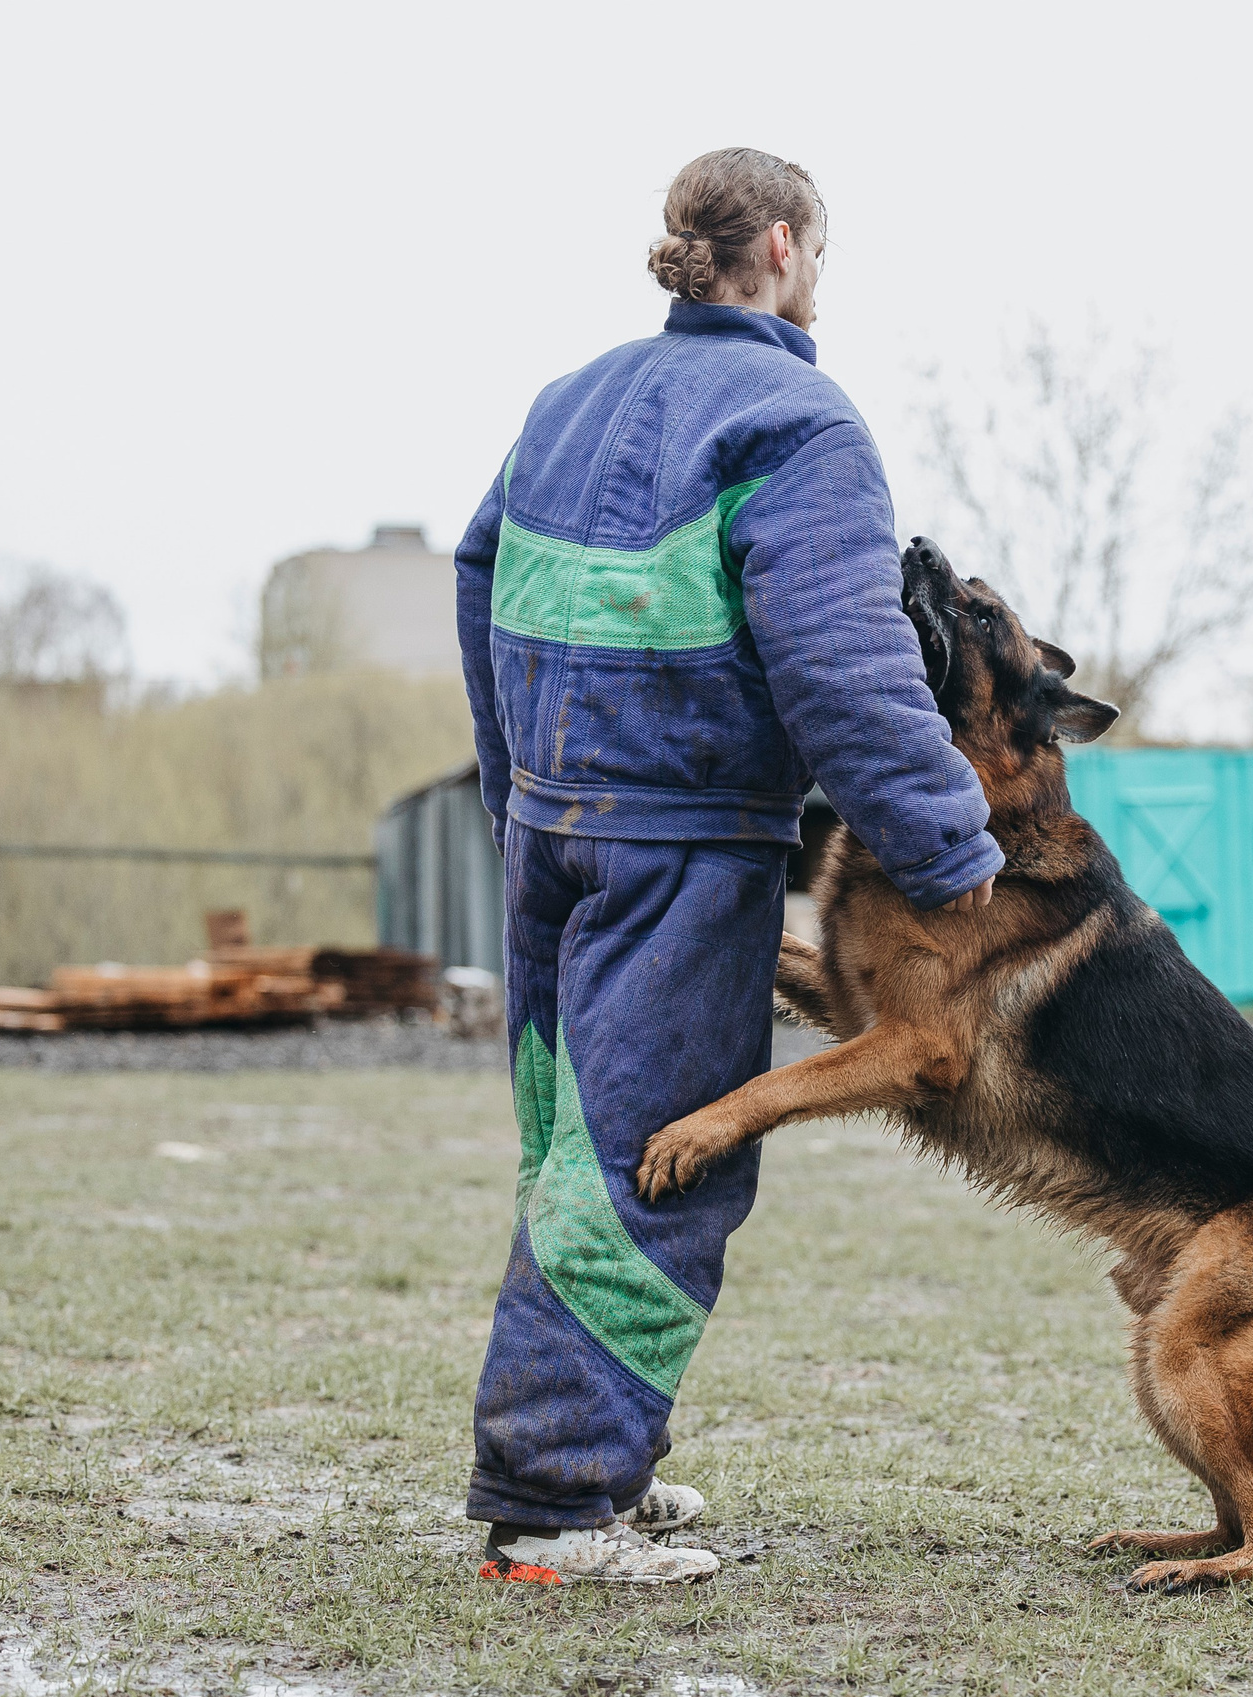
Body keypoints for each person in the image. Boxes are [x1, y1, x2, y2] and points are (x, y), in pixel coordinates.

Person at [452, 148, 1001, 1585]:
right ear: (777, 246)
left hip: (553, 832)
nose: (821, 278)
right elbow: (844, 665)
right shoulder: (795, 418)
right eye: (821, 252)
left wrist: (515, 781)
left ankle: (597, 1471)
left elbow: (475, 568)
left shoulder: (566, 403)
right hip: (681, 847)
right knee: (652, 1167)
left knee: (568, 1149)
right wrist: (950, 846)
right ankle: (554, 1514)